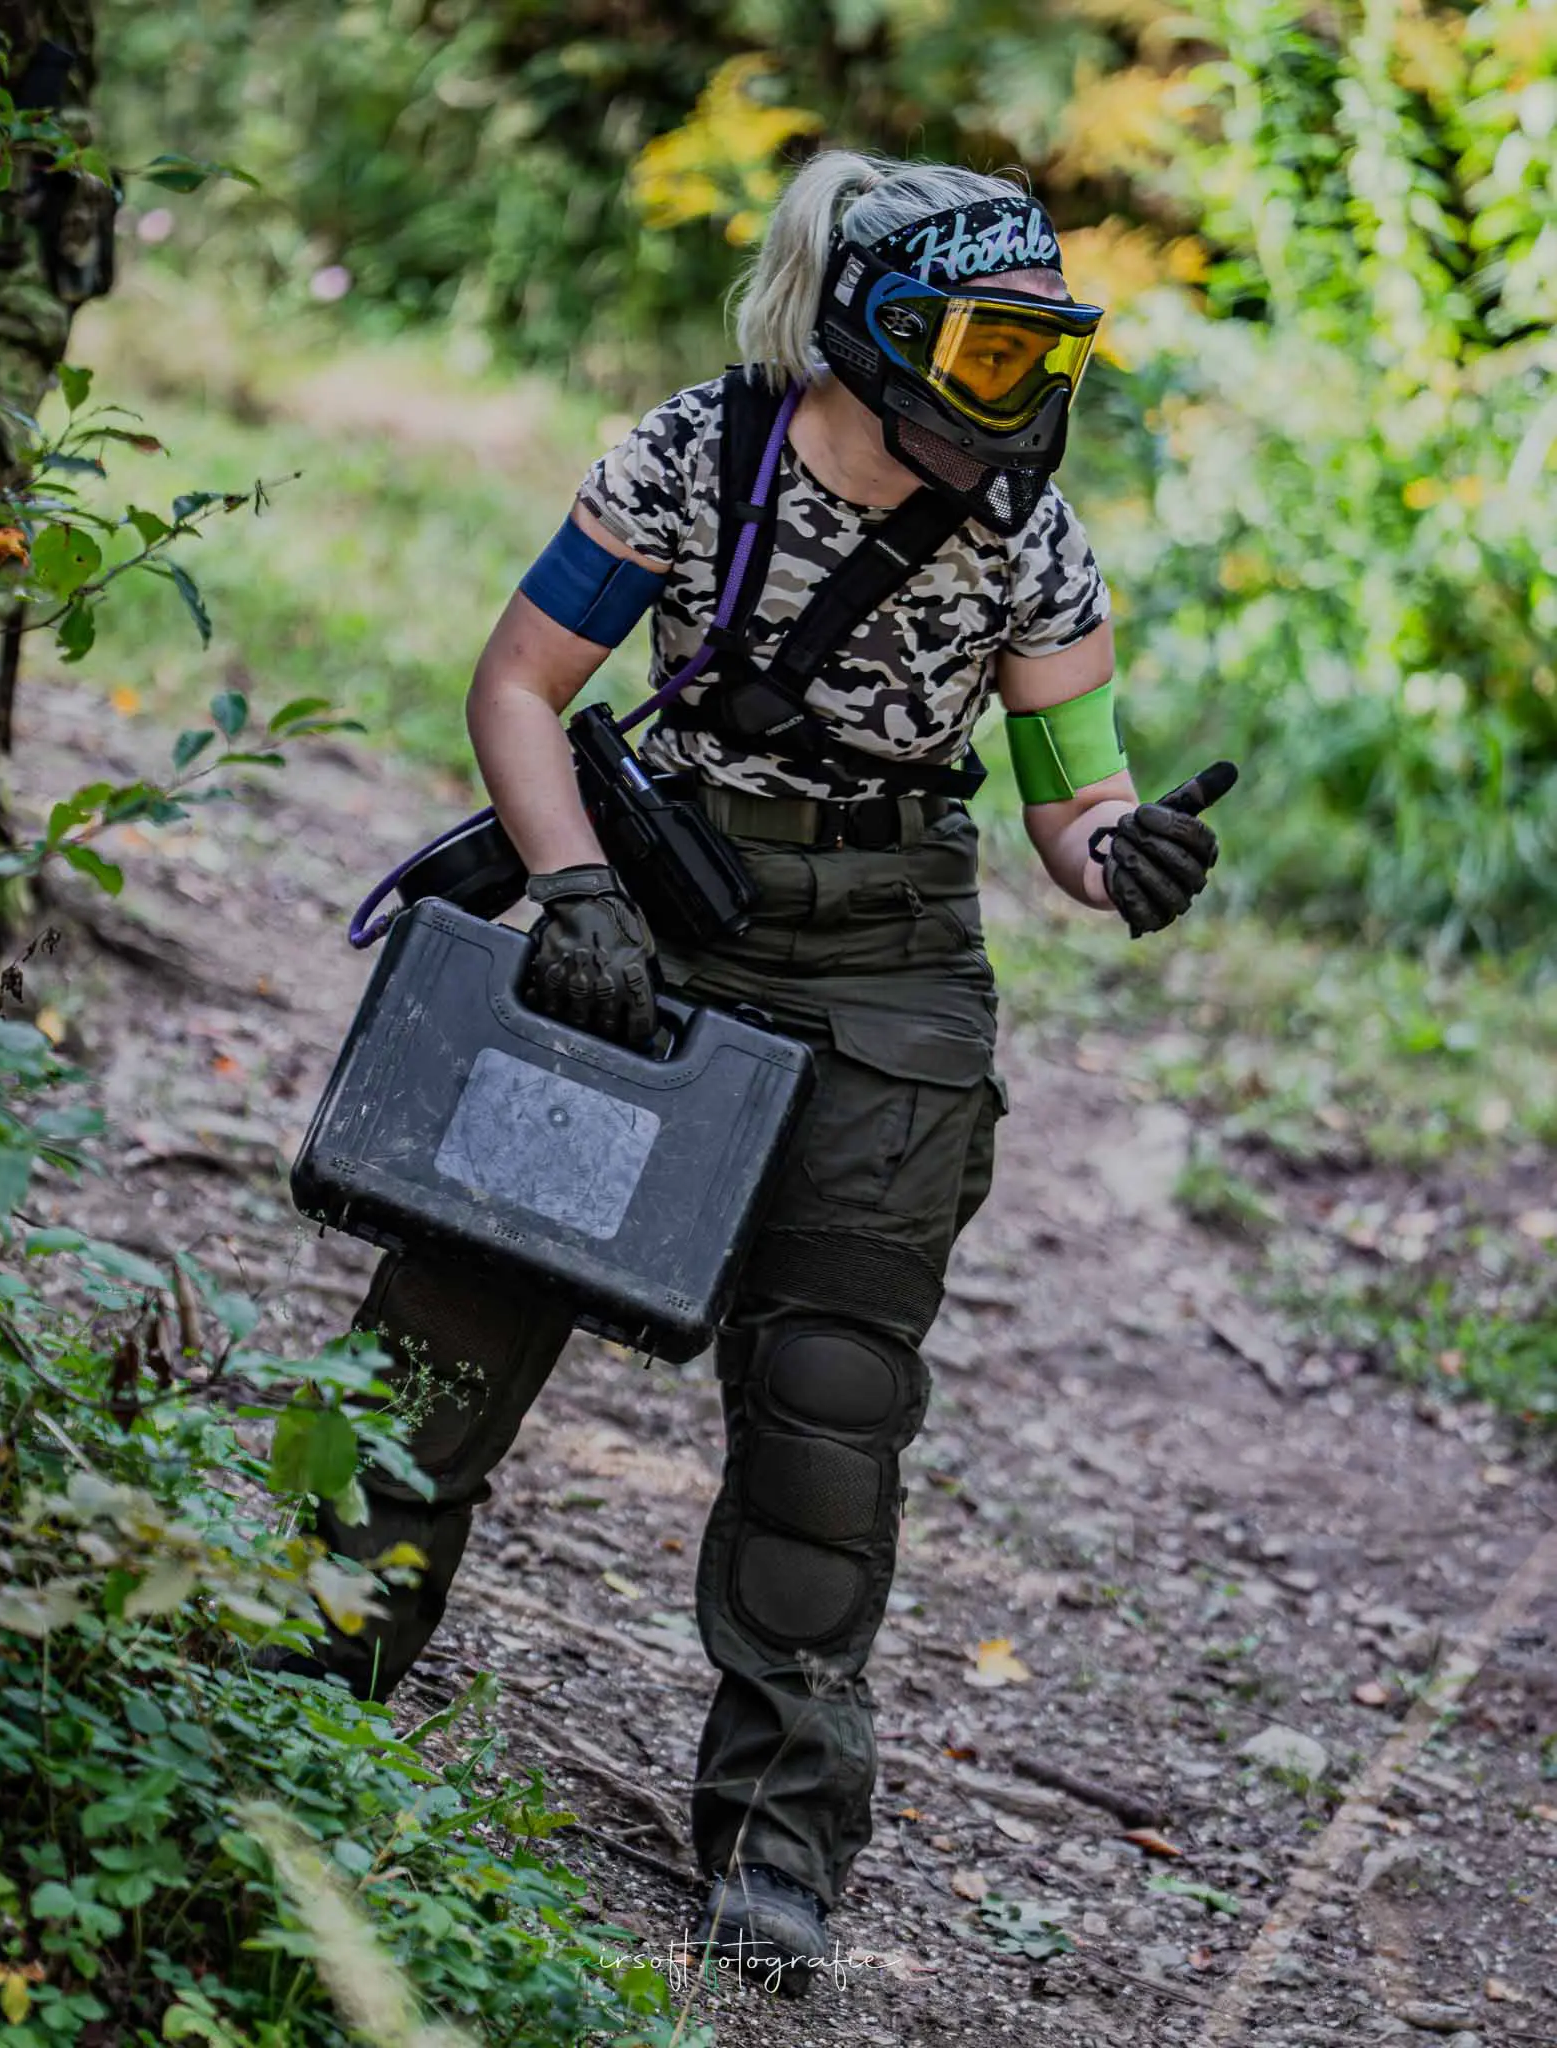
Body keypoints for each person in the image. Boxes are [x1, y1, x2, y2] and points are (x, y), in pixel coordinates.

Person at [278, 150, 1228, 1998]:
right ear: (875, 330)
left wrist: (1123, 855)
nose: (1016, 387)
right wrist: (572, 891)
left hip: (888, 955)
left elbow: (1076, 795)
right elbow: (517, 688)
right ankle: (309, 1680)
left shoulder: (1030, 535)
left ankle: (778, 1843)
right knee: (461, 1299)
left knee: (827, 1398)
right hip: (655, 900)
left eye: (1041, 351)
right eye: (983, 345)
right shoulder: (696, 455)